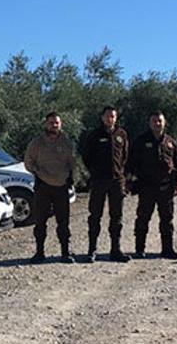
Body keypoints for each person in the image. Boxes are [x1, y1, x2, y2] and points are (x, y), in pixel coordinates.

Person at [127, 111, 177, 258]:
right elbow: (132, 162)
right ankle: (140, 249)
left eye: (159, 121)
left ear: (164, 123)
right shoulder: (140, 141)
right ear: (149, 123)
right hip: (147, 187)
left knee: (167, 219)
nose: (157, 123)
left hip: (166, 187)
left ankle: (167, 249)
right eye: (154, 121)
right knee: (143, 218)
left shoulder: (170, 142)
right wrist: (130, 181)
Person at [79, 106, 131, 263]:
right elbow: (86, 156)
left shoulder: (121, 134)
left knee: (117, 217)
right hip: (99, 181)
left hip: (116, 181)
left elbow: (125, 156)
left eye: (113, 116)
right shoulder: (94, 135)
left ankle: (115, 250)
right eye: (108, 116)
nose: (111, 119)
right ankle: (92, 250)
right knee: (95, 216)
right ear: (102, 117)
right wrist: (95, 172)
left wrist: (123, 174)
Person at [25, 111, 77, 264]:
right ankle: (39, 252)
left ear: (60, 125)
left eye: (57, 123)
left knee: (63, 222)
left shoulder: (67, 143)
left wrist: (70, 178)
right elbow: (28, 162)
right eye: (51, 122)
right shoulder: (36, 143)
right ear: (45, 124)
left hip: (61, 188)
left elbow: (73, 163)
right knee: (40, 222)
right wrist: (40, 173)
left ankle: (65, 253)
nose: (54, 125)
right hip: (43, 187)